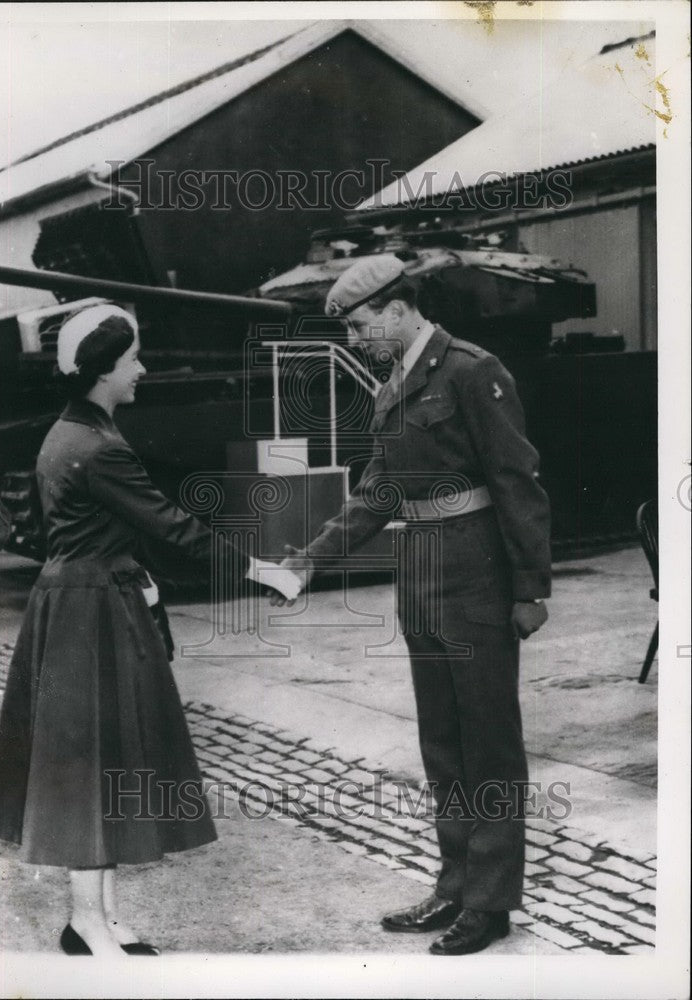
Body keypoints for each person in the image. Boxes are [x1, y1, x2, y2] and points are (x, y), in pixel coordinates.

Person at [0, 303, 300, 957]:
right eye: (133, 360)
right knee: (93, 763)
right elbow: (172, 526)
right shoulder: (99, 448)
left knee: (105, 757)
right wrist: (258, 569)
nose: (143, 370)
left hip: (81, 602)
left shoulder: (70, 431)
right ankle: (87, 921)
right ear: (104, 371)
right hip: (91, 612)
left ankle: (97, 918)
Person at [273, 254, 551, 956]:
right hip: (422, 573)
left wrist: (529, 588)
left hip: (477, 574)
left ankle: (490, 902)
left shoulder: (471, 370)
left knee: (489, 745)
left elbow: (517, 479)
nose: (354, 340)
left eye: (360, 325)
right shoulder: (395, 383)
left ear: (397, 309)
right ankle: (455, 883)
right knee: (442, 743)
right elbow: (380, 491)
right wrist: (310, 559)